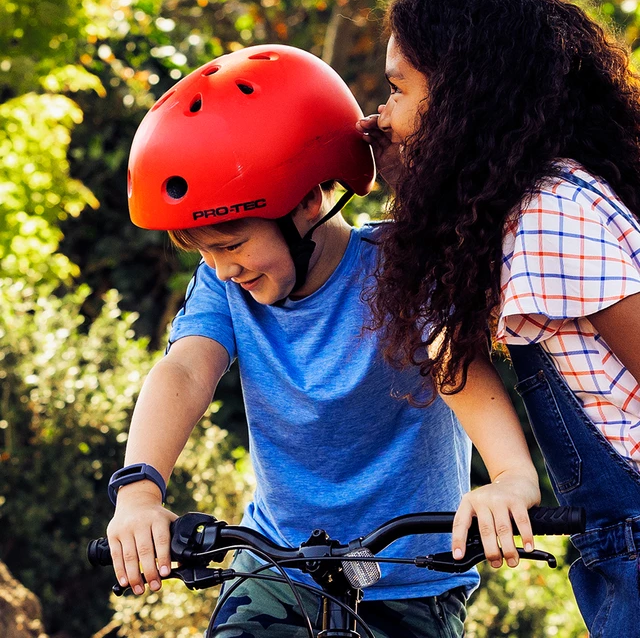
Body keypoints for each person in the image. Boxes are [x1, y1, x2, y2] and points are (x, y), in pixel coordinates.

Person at [106, 44, 540, 637]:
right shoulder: (223, 284)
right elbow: (184, 371)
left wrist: (511, 476)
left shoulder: (399, 266)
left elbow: (453, 364)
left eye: (231, 245)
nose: (221, 267)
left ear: (308, 200)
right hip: (278, 566)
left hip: (411, 578)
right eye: (203, 251)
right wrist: (138, 490)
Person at [357, 0, 640, 635]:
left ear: (465, 98)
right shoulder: (532, 203)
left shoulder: (548, 217)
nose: (383, 116)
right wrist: (409, 167)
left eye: (398, 90)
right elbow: (442, 329)